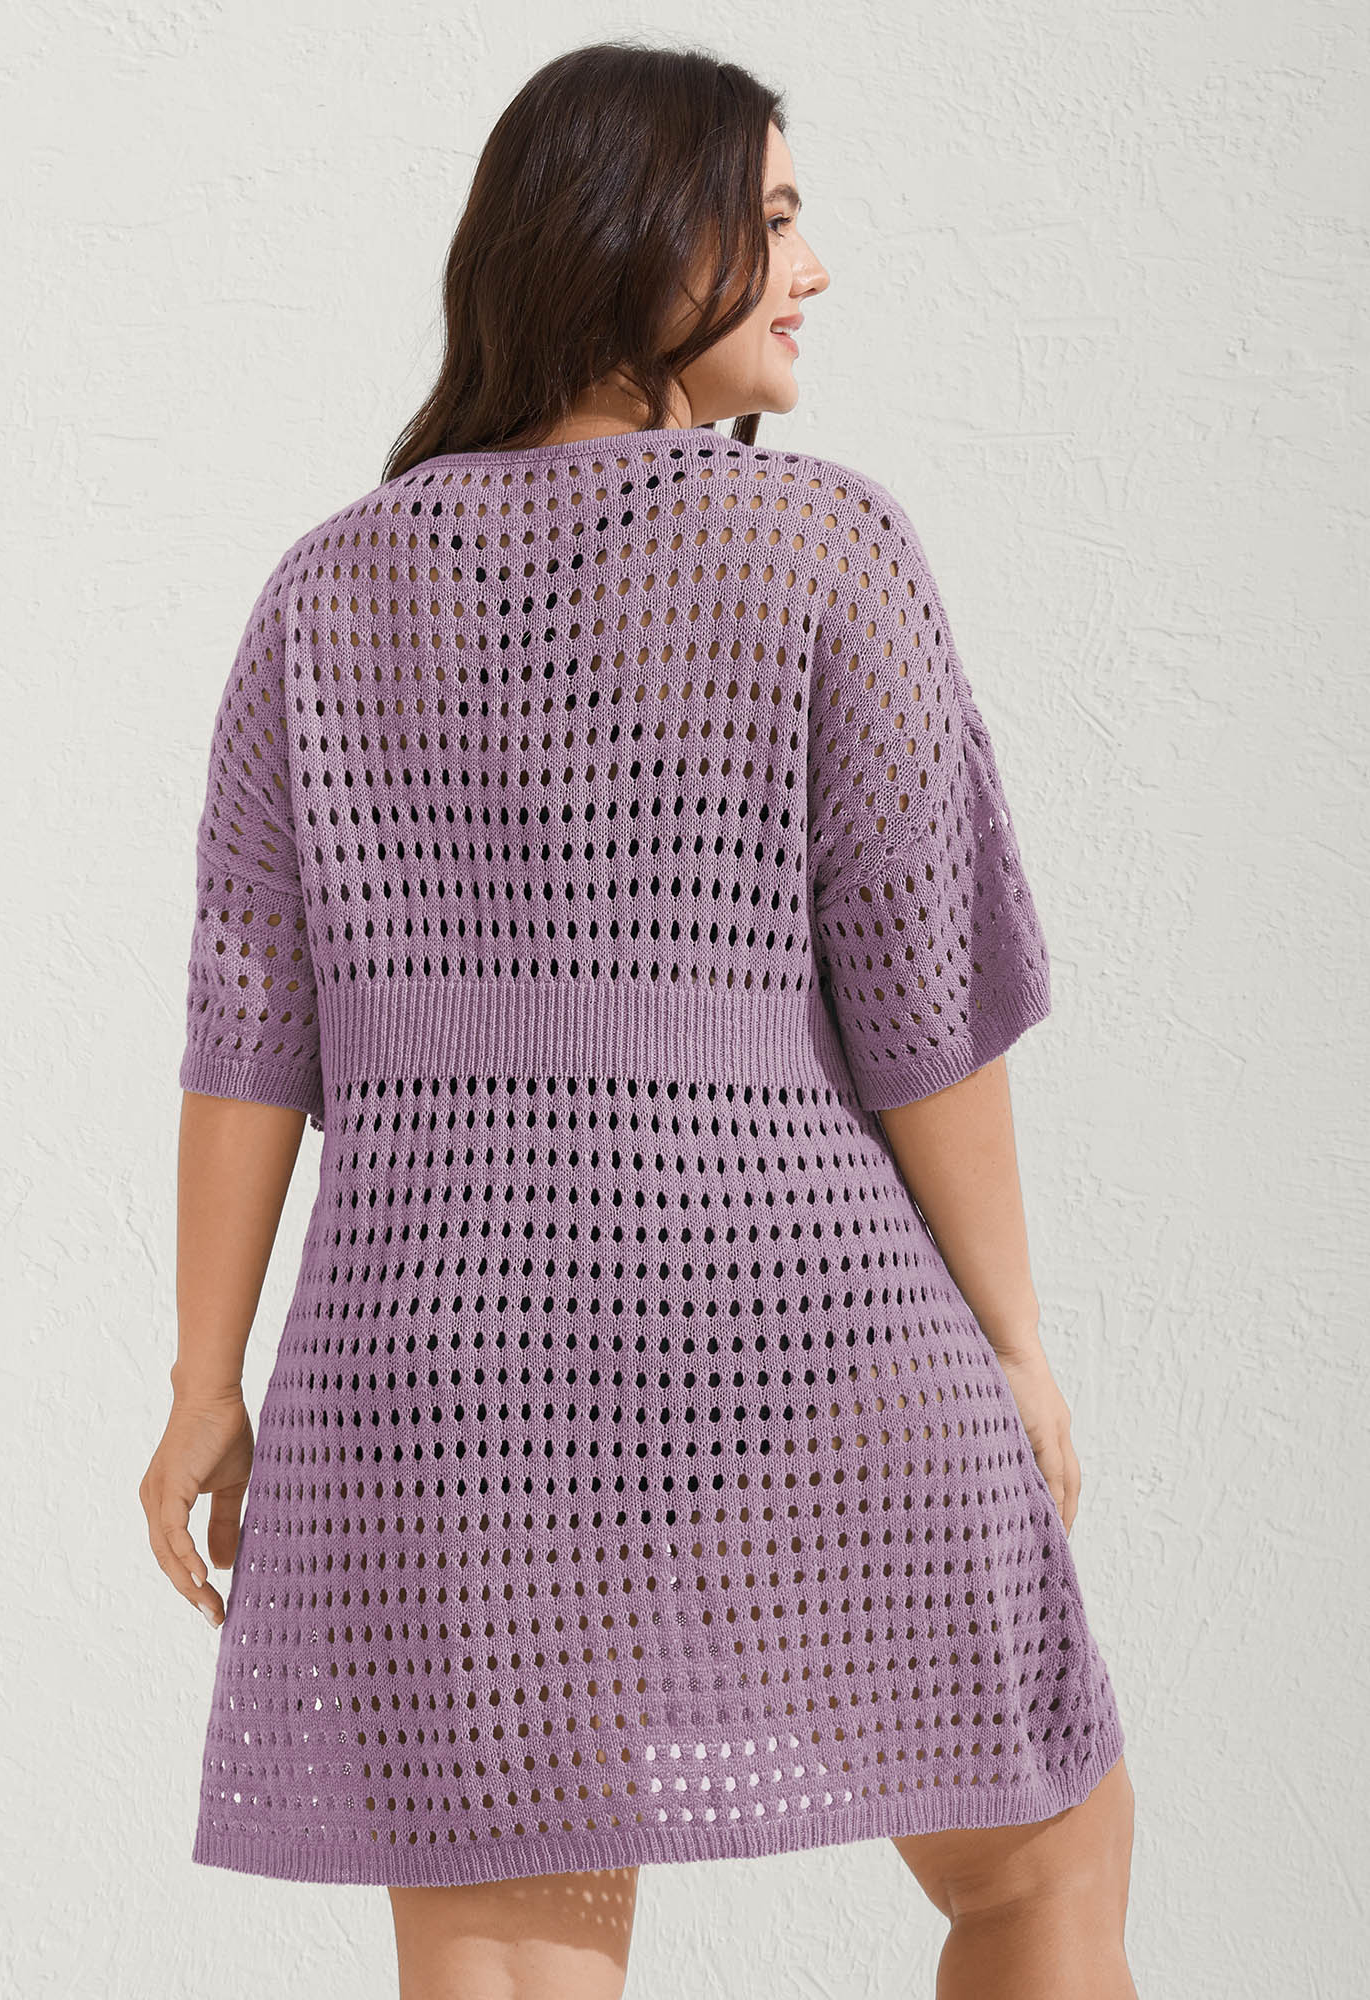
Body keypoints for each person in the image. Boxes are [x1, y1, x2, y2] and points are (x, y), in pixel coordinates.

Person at [139, 40, 1137, 2000]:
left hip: (445, 1351)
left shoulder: (327, 591)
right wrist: (1017, 1342)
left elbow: (245, 1029)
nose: (813, 268)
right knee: (1046, 1862)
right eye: (773, 219)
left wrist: (204, 1380)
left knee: (515, 1951)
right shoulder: (823, 544)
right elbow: (927, 1009)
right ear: (639, 239)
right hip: (796, 1319)